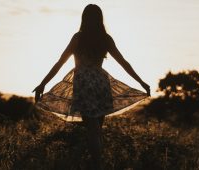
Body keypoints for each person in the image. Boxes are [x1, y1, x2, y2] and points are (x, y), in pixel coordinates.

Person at [33, 4, 150, 169]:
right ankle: (94, 162)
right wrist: (141, 81)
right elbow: (124, 62)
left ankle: (96, 165)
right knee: (96, 128)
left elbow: (60, 62)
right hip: (101, 82)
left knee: (92, 128)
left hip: (83, 83)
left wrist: (43, 83)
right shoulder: (105, 38)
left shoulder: (78, 37)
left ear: (84, 18)